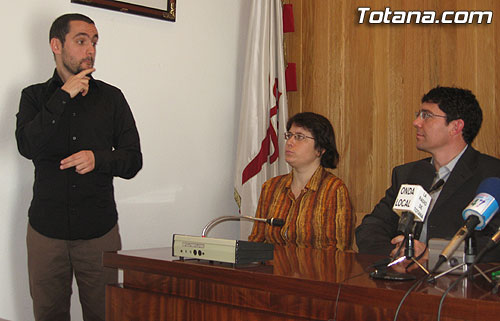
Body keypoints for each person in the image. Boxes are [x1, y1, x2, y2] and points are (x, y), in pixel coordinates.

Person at [15, 13, 142, 321]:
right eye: (81, 41)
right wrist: (61, 97)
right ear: (56, 45)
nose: (91, 50)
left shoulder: (111, 98)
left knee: (105, 314)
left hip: (99, 232)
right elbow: (27, 147)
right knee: (48, 315)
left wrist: (98, 159)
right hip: (46, 232)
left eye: (94, 42)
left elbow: (132, 160)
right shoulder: (33, 96)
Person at [355, 86, 500, 272]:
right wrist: (399, 253)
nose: (416, 122)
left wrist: (430, 254)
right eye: (419, 115)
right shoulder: (408, 174)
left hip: (464, 287)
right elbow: (371, 227)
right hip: (404, 283)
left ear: (456, 126)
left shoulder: (492, 175)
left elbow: (492, 243)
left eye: (426, 115)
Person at [248, 112, 352, 250]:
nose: (290, 142)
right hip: (273, 269)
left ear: (320, 150)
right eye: (289, 136)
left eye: (299, 137)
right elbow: (256, 241)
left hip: (317, 270)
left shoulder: (334, 189)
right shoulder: (271, 187)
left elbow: (338, 249)